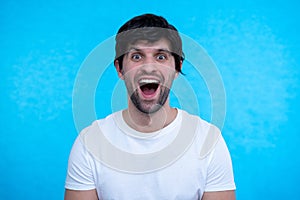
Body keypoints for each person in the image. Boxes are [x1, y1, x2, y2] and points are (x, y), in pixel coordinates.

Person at [65, 14, 236, 200]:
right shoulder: (90, 142)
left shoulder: (208, 141)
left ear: (177, 68)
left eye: (161, 56)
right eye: (136, 56)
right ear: (120, 69)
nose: (148, 68)